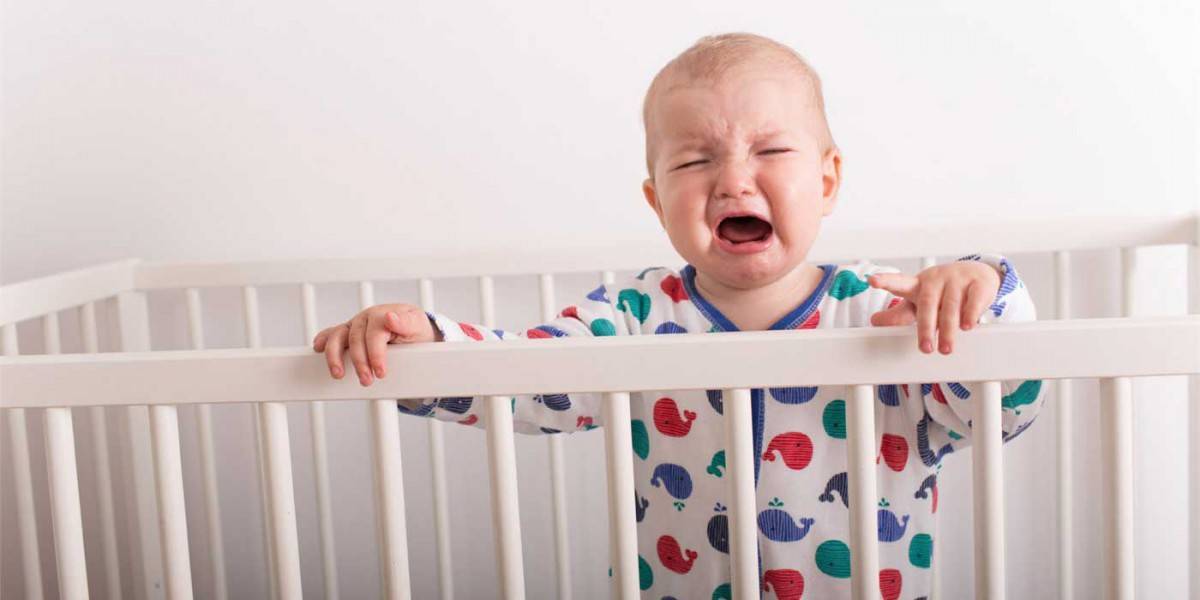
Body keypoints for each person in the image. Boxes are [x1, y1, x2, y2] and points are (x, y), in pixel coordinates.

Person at [312, 32, 1045, 599]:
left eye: (770, 150)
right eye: (694, 162)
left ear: (827, 182)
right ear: (657, 202)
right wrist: (428, 343)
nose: (733, 180)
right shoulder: (633, 317)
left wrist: (986, 289)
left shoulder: (889, 317)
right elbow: (526, 377)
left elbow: (1003, 406)